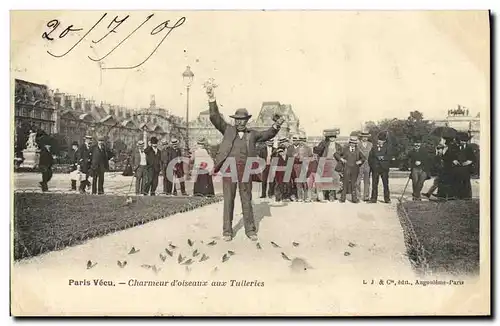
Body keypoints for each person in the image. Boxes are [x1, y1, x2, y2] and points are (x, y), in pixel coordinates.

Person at [206, 83, 283, 242]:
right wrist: (211, 98)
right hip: (229, 169)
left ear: (247, 121)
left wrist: (276, 126)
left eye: (243, 120)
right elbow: (215, 117)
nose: (240, 122)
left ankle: (250, 230)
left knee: (246, 200)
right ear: (234, 120)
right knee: (228, 200)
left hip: (246, 170)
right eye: (238, 120)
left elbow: (267, 134)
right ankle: (227, 231)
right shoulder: (227, 129)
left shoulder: (252, 134)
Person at [335, 136, 366, 203]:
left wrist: (360, 161)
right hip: (346, 168)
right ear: (349, 143)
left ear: (356, 144)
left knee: (353, 184)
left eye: (354, 143)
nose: (353, 144)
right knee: (345, 183)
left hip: (355, 169)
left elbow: (364, 158)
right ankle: (342, 198)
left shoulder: (358, 150)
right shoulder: (345, 149)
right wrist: (341, 159)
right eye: (352, 143)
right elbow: (336, 154)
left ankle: (354, 199)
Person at [315, 129, 342, 201]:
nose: (332, 138)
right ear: (328, 137)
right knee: (325, 179)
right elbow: (318, 151)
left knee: (334, 179)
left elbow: (341, 155)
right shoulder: (324, 144)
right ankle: (325, 194)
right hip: (325, 162)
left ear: (335, 137)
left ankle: (332, 195)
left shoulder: (338, 146)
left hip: (334, 162)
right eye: (330, 137)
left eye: (333, 137)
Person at [368, 131, 393, 203]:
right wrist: (372, 166)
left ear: (384, 141)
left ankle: (387, 199)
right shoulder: (374, 147)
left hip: (384, 169)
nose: (379, 142)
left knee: (385, 184)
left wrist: (383, 158)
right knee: (374, 184)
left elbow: (389, 156)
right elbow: (370, 158)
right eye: (379, 140)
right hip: (375, 168)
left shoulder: (388, 147)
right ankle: (373, 198)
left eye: (381, 141)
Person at [454, 132, 475, 199]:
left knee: (466, 182)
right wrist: (454, 161)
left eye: (464, 141)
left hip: (466, 168)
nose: (462, 142)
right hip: (457, 167)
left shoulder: (469, 148)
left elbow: (473, 158)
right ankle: (458, 195)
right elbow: (452, 156)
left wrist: (467, 162)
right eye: (461, 140)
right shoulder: (456, 148)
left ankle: (467, 196)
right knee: (457, 181)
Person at [295, 135, 313, 202]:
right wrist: (298, 158)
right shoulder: (296, 149)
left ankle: (306, 197)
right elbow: (294, 158)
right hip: (298, 167)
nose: (302, 142)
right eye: (301, 140)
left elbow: (311, 158)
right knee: (298, 182)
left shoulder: (308, 149)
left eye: (304, 140)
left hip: (306, 166)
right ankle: (300, 197)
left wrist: (306, 159)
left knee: (305, 182)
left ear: (306, 141)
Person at [356, 131, 373, 202]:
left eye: (366, 137)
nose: (365, 138)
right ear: (361, 137)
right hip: (359, 165)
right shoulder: (358, 144)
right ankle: (357, 196)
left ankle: (366, 196)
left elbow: (372, 155)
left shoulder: (371, 144)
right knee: (357, 181)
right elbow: (356, 155)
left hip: (368, 165)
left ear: (368, 137)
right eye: (363, 137)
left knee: (367, 181)